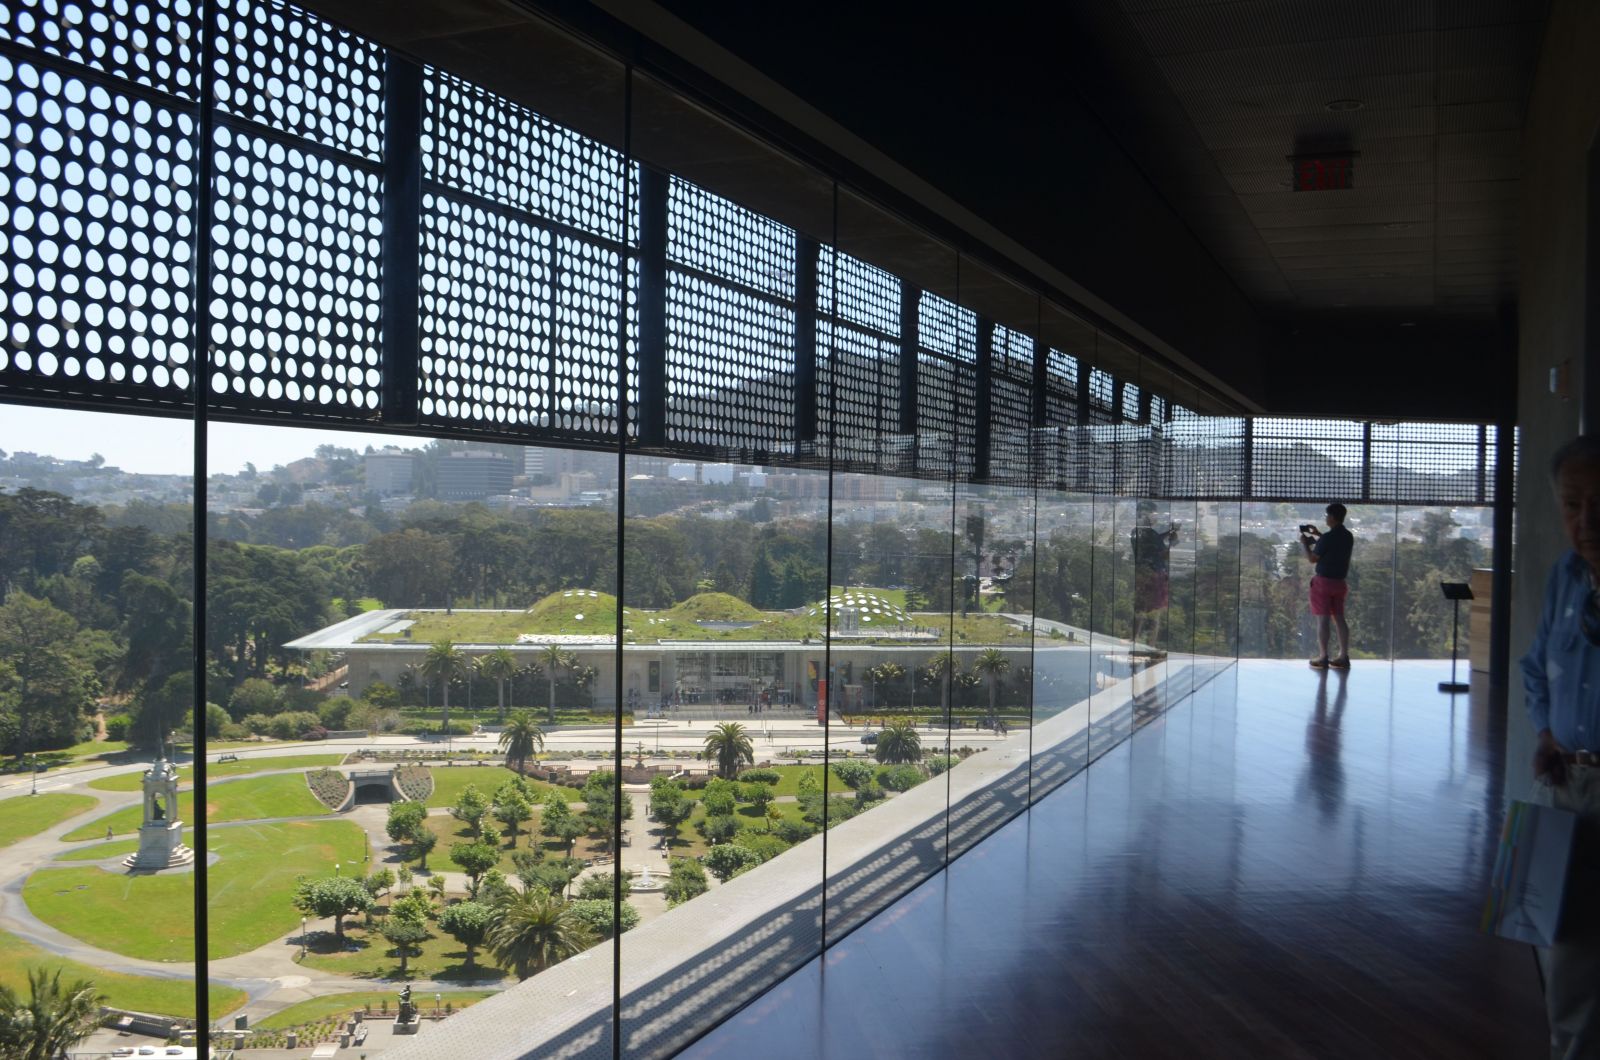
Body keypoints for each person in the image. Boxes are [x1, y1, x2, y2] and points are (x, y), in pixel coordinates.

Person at [1521, 434, 1600, 1058]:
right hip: (1571, 786)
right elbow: (1534, 667)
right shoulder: (1564, 577)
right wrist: (1547, 731)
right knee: (1569, 953)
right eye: (1573, 504)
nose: (1586, 520)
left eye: (1599, 502)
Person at [1300, 502, 1353, 669]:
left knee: (1323, 620)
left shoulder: (1327, 538)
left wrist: (1305, 544)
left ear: (1331, 517)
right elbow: (1332, 544)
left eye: (1327, 515)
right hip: (1340, 583)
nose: (1326, 518)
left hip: (1323, 583)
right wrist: (1318, 534)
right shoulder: (1347, 536)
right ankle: (1343, 656)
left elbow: (1313, 559)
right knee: (1339, 618)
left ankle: (1323, 657)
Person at [1129, 502, 1179, 656]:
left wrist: (1167, 534)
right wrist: (1171, 541)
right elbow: (1164, 554)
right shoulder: (1149, 534)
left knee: (1140, 612)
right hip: (1155, 576)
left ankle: (1134, 643)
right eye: (1153, 514)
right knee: (1155, 615)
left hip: (1142, 575)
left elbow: (1154, 540)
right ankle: (1151, 647)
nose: (1155, 517)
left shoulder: (1136, 532)